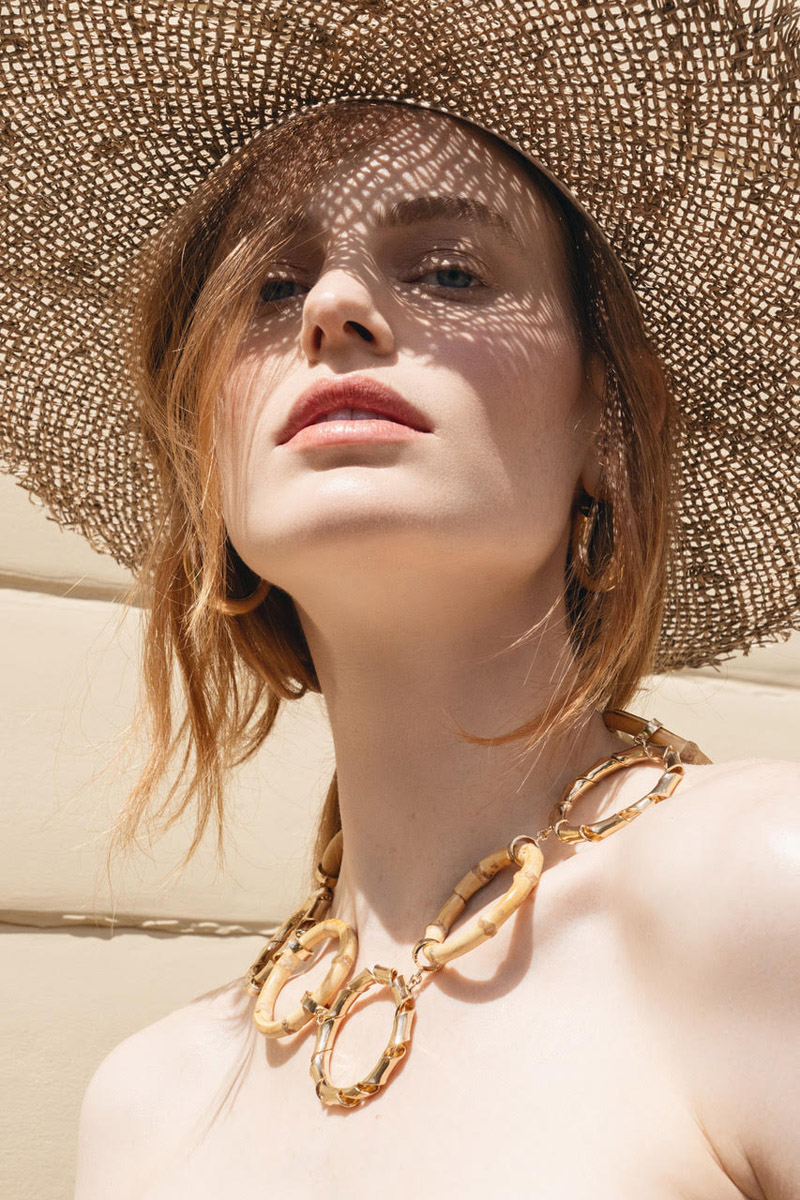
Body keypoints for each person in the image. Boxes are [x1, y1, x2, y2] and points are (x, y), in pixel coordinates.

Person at [1, 4, 797, 1198]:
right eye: (267, 289)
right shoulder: (145, 1111)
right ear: (206, 458)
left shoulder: (761, 890)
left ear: (609, 431)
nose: (334, 307)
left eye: (449, 270)